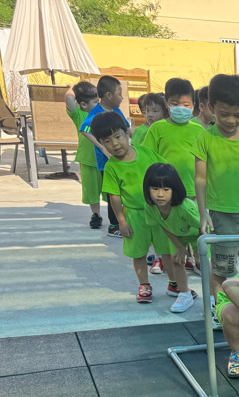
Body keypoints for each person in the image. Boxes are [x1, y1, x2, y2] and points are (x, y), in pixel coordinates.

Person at [193, 74, 239, 327]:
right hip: (221, 216)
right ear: (211, 107)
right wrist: (203, 213)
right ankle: (221, 309)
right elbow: (200, 179)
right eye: (224, 114)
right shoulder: (205, 139)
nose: (231, 121)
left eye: (238, 115)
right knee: (222, 270)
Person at [91, 111, 174, 304]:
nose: (115, 144)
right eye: (107, 141)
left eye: (118, 137)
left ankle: (174, 283)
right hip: (135, 216)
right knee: (138, 253)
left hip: (159, 212)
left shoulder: (146, 153)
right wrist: (121, 221)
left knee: (167, 251)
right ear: (101, 143)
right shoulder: (112, 167)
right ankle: (144, 285)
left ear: (127, 132)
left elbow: (166, 171)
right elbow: (114, 196)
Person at [144, 78, 204, 275]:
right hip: (165, 191)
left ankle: (197, 259)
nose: (181, 109)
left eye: (186, 105)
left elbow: (206, 160)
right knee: (165, 226)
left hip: (192, 189)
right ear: (167, 104)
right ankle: (162, 258)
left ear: (194, 106)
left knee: (194, 227)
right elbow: (147, 158)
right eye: (175, 104)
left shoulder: (198, 130)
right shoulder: (157, 128)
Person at [143, 162, 199, 312]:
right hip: (177, 235)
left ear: (175, 189)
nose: (160, 194)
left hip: (198, 234)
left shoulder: (185, 207)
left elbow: (203, 228)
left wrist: (198, 251)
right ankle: (184, 294)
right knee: (176, 261)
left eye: (166, 189)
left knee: (205, 263)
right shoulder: (150, 207)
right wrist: (179, 247)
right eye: (155, 189)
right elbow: (164, 225)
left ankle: (214, 297)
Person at [80, 76, 129, 237]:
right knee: (113, 193)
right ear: (109, 95)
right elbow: (85, 130)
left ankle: (123, 221)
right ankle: (114, 226)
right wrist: (102, 147)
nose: (122, 98)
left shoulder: (116, 111)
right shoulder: (96, 113)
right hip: (106, 162)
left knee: (122, 190)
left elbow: (127, 128)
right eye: (119, 94)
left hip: (121, 158)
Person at [64, 81, 102, 229]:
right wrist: (72, 87)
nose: (98, 104)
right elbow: (69, 98)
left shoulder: (104, 113)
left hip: (107, 159)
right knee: (91, 191)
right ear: (84, 105)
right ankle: (96, 215)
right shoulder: (80, 115)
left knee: (111, 190)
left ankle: (115, 216)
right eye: (95, 102)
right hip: (88, 160)